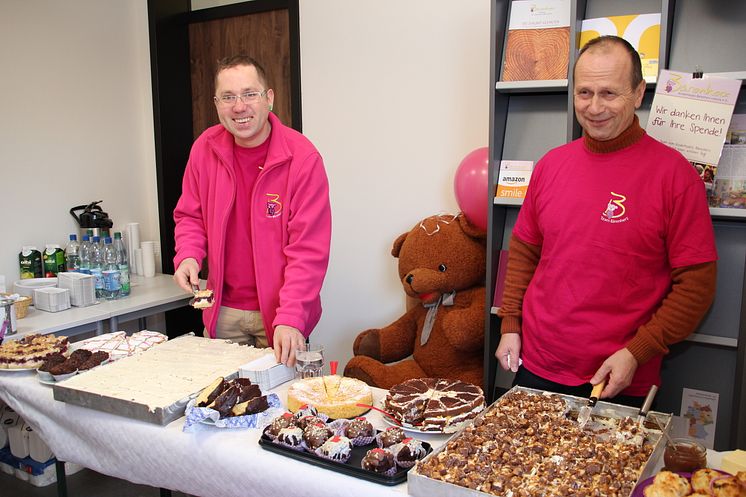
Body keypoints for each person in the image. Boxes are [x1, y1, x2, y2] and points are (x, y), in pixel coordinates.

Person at [494, 36, 718, 406]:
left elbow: (696, 286)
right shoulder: (551, 164)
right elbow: (523, 253)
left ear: (638, 93)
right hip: (537, 365)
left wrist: (638, 351)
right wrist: (510, 325)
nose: (594, 107)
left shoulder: (675, 177)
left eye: (609, 94)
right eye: (584, 92)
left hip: (620, 379)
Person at [173, 55, 331, 367]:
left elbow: (308, 251)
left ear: (269, 98)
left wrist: (291, 316)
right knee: (223, 406)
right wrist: (189, 255)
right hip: (222, 311)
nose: (239, 106)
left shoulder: (303, 158)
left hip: (281, 313)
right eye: (228, 97)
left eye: (249, 94)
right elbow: (190, 215)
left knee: (284, 409)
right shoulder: (204, 149)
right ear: (217, 104)